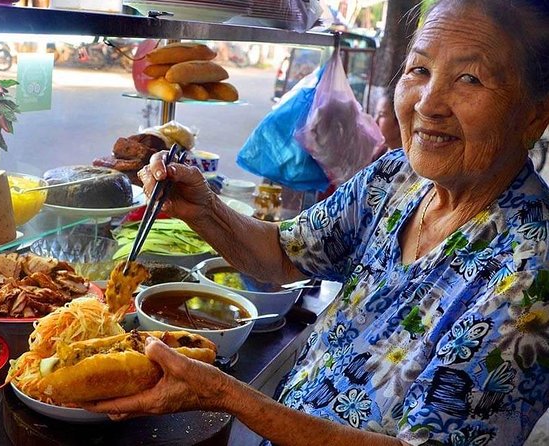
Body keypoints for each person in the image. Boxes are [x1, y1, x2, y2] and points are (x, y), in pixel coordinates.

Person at [85, 0, 549, 444]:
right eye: (419, 69)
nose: (428, 104)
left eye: (469, 78)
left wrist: (224, 394)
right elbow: (284, 255)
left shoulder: (533, 270)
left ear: (536, 113)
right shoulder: (398, 176)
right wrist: (204, 208)